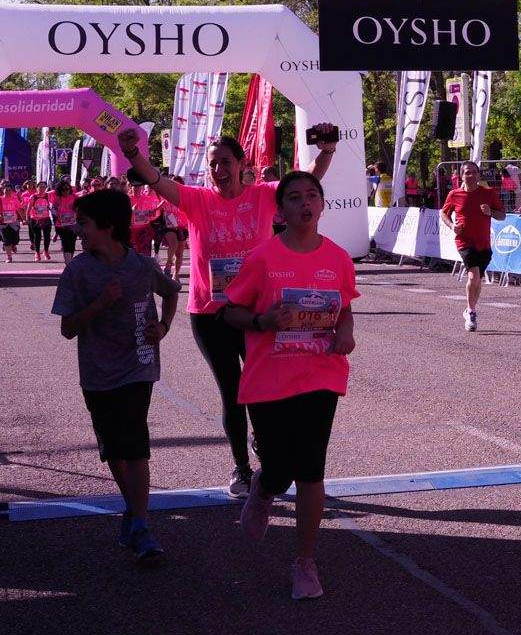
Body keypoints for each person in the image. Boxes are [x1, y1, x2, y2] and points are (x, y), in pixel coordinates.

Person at [116, 126, 339, 497]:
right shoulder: (197, 200)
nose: (218, 169)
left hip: (257, 313)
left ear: (241, 164)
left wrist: (327, 151)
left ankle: (266, 448)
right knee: (232, 391)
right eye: (212, 164)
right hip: (211, 313)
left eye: (225, 162)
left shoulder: (264, 196)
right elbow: (155, 180)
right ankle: (242, 468)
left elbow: (305, 182)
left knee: (265, 386)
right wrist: (132, 153)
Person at [220, 171, 357, 601]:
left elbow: (345, 307)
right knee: (280, 467)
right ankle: (264, 488)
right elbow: (229, 312)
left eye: (312, 195)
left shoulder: (338, 257)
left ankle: (305, 562)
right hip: (270, 377)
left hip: (320, 372)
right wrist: (262, 321)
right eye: (294, 197)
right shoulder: (262, 258)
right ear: (280, 210)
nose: (305, 203)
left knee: (311, 467)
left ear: (322, 204)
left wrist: (346, 331)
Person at [52, 188, 179, 564]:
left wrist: (163, 326)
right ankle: (134, 511)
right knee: (114, 449)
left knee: (134, 443)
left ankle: (141, 525)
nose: (78, 229)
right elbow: (68, 328)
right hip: (97, 372)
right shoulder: (78, 271)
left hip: (138, 366)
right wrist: (101, 303)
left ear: (107, 227)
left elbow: (171, 292)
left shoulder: (141, 266)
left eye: (84, 223)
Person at [441, 161, 504, 332]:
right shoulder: (454, 194)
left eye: (474, 172)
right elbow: (444, 213)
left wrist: (491, 212)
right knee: (473, 275)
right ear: (461, 176)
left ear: (478, 175)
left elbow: (502, 216)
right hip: (464, 241)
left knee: (477, 279)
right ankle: (471, 311)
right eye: (467, 173)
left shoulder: (488, 193)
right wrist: (452, 225)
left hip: (483, 243)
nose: (471, 175)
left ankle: (470, 309)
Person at [159, 178, 187, 281]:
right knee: (174, 244)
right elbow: (156, 207)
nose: (175, 187)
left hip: (182, 227)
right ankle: (168, 264)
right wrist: (158, 207)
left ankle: (176, 274)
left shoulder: (186, 198)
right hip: (169, 226)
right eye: (173, 184)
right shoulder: (165, 196)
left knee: (179, 253)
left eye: (177, 185)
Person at [128, 183, 161, 258]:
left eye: (139, 186)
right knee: (134, 254)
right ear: (130, 187)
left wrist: (153, 213)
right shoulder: (127, 199)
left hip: (144, 229)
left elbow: (154, 215)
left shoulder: (147, 198)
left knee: (145, 253)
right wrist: (131, 211)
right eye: (135, 186)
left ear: (142, 187)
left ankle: (145, 263)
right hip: (132, 231)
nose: (137, 188)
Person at [53, 179, 80, 263]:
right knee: (65, 243)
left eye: (67, 189)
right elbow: (53, 212)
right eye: (63, 190)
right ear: (59, 190)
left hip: (73, 224)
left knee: (72, 244)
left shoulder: (75, 197)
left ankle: (69, 261)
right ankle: (68, 263)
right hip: (61, 225)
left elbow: (80, 208)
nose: (65, 191)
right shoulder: (57, 199)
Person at [27, 178, 54, 261]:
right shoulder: (33, 197)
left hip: (46, 219)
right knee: (37, 236)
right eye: (40, 187)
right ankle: (37, 253)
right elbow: (29, 208)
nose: (42, 188)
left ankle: (46, 251)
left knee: (47, 236)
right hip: (35, 220)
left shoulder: (48, 196)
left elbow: (52, 206)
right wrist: (27, 218)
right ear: (37, 187)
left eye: (44, 187)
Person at [1, 180, 23, 262]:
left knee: (15, 239)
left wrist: (24, 219)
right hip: (3, 223)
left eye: (9, 190)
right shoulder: (0, 199)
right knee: (6, 240)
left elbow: (19, 209)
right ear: (3, 190)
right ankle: (9, 257)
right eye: (6, 190)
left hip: (14, 222)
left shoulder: (15, 199)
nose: (7, 191)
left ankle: (13, 245)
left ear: (11, 191)